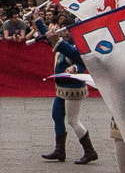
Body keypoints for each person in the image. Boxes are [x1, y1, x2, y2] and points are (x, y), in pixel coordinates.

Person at [42, 26, 98, 165]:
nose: (65, 33)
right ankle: (59, 149)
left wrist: (75, 68)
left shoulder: (77, 45)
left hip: (73, 88)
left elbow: (82, 61)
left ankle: (90, 151)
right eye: (64, 31)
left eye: (67, 31)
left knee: (73, 120)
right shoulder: (63, 44)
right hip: (61, 87)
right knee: (57, 116)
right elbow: (51, 38)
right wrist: (37, 20)